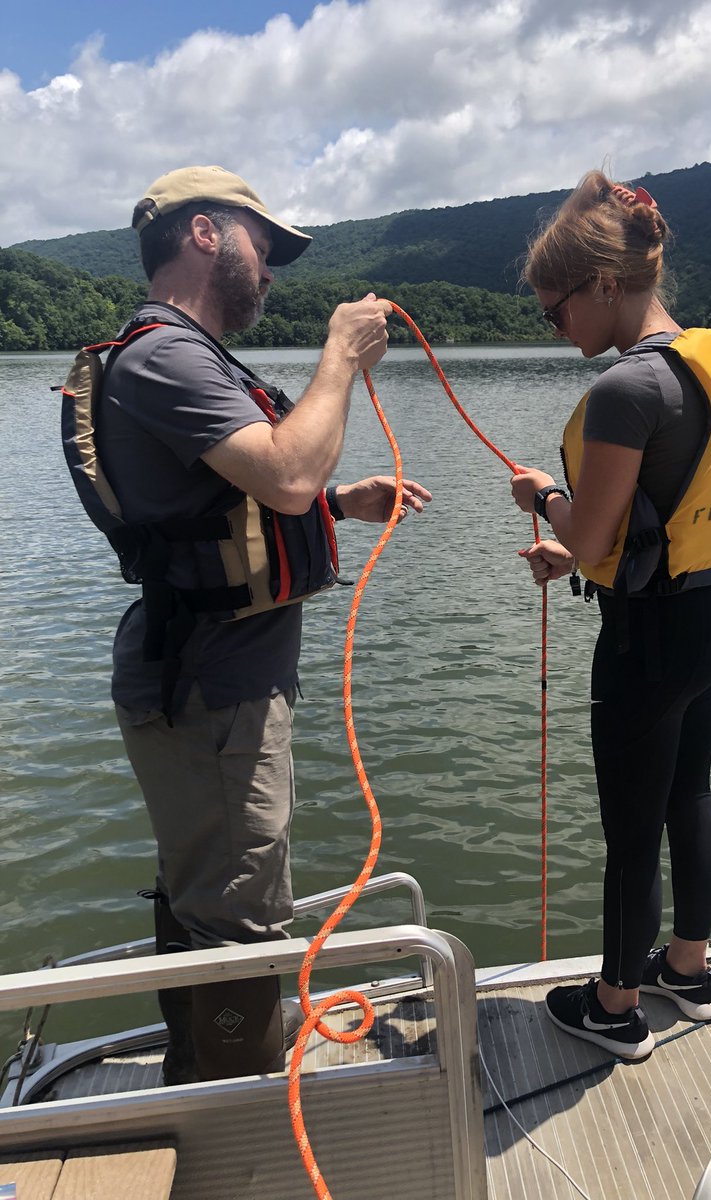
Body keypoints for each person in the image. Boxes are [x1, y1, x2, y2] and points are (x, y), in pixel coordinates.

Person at [68, 165, 431, 1083]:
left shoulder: (181, 355)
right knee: (238, 918)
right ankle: (245, 1135)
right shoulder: (166, 356)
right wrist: (339, 357)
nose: (269, 269)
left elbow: (242, 498)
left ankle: (200, 1081)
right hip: (215, 692)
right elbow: (283, 474)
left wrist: (340, 505)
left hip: (210, 683)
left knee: (205, 893)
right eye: (261, 245)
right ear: (203, 233)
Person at [509, 171, 711, 1060]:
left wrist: (543, 497)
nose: (558, 329)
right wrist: (583, 546)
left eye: (557, 310)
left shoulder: (627, 391)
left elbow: (586, 532)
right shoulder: (707, 358)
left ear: (605, 286)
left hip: (651, 642)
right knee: (689, 791)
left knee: (630, 827)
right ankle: (686, 969)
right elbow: (653, 515)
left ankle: (615, 1006)